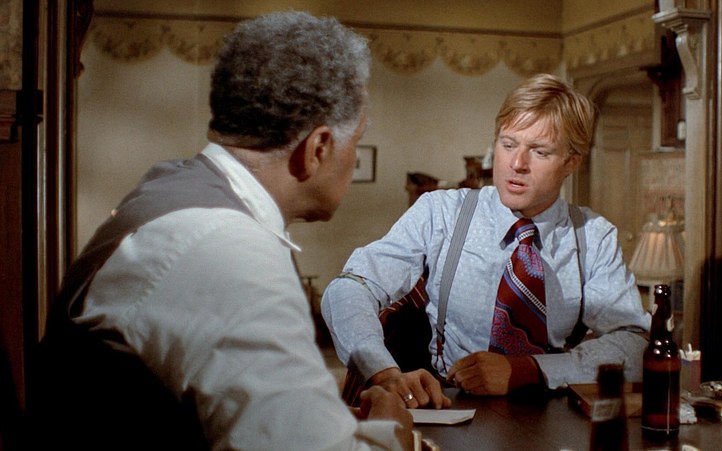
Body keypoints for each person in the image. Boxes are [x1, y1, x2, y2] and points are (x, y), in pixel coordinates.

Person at [31, 11, 413, 450]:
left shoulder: (176, 187)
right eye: (356, 140)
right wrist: (392, 433)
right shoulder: (228, 249)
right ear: (318, 148)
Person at [322, 73, 651, 409]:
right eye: (508, 145)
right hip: (450, 406)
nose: (517, 164)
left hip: (549, 409)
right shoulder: (442, 213)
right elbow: (349, 289)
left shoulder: (593, 237)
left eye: (540, 151)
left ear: (572, 162)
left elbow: (634, 342)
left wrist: (528, 370)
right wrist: (383, 372)